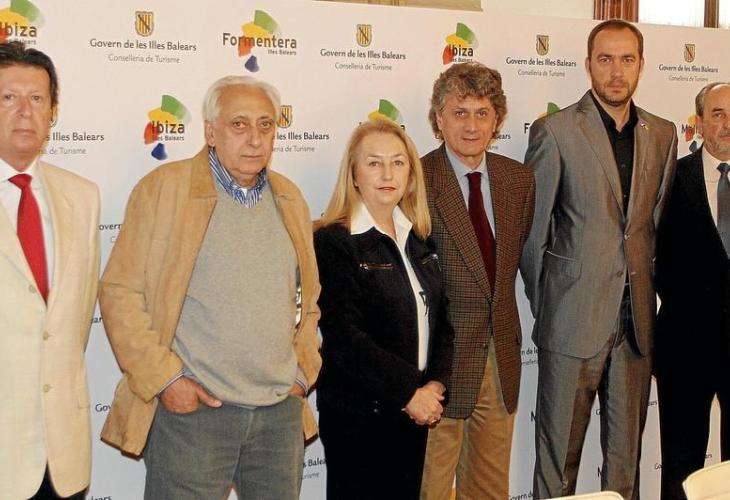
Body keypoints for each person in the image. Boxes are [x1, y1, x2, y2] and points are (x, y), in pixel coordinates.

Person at [98, 75, 321, 500]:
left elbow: (308, 303)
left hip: (279, 417)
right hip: (195, 416)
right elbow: (119, 291)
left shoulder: (290, 199)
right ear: (210, 131)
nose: (254, 138)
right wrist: (166, 380)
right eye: (239, 124)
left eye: (265, 125)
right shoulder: (165, 189)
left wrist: (301, 375)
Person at [521, 19, 677, 499]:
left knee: (625, 465)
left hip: (636, 329)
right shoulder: (556, 131)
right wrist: (553, 307)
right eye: (605, 59)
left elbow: (651, 227)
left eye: (627, 59)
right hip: (571, 323)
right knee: (557, 466)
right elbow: (533, 234)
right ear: (588, 64)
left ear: (641, 65)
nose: (616, 71)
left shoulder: (663, 134)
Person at [314, 119, 454, 500]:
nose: (387, 174)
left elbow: (441, 321)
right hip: (360, 417)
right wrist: (409, 393)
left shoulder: (419, 238)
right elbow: (345, 338)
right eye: (374, 163)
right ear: (354, 175)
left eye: (398, 162)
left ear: (411, 175)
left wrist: (435, 385)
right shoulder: (334, 241)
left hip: (414, 412)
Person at [419, 62, 535, 500]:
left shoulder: (518, 180)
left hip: (500, 359)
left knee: (489, 489)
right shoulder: (416, 179)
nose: (471, 125)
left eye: (482, 113)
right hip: (437, 364)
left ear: (496, 119)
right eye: (460, 112)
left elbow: (513, 263)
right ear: (439, 118)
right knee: (429, 488)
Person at [0, 41, 100, 499]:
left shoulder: (83, 196)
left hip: (61, 455)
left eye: (37, 98)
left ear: (53, 112)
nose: (25, 111)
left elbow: (74, 324)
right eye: (8, 97)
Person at [655, 82, 730, 500]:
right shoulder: (669, 179)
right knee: (681, 468)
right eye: (717, 114)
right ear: (699, 123)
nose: (727, 124)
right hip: (685, 347)